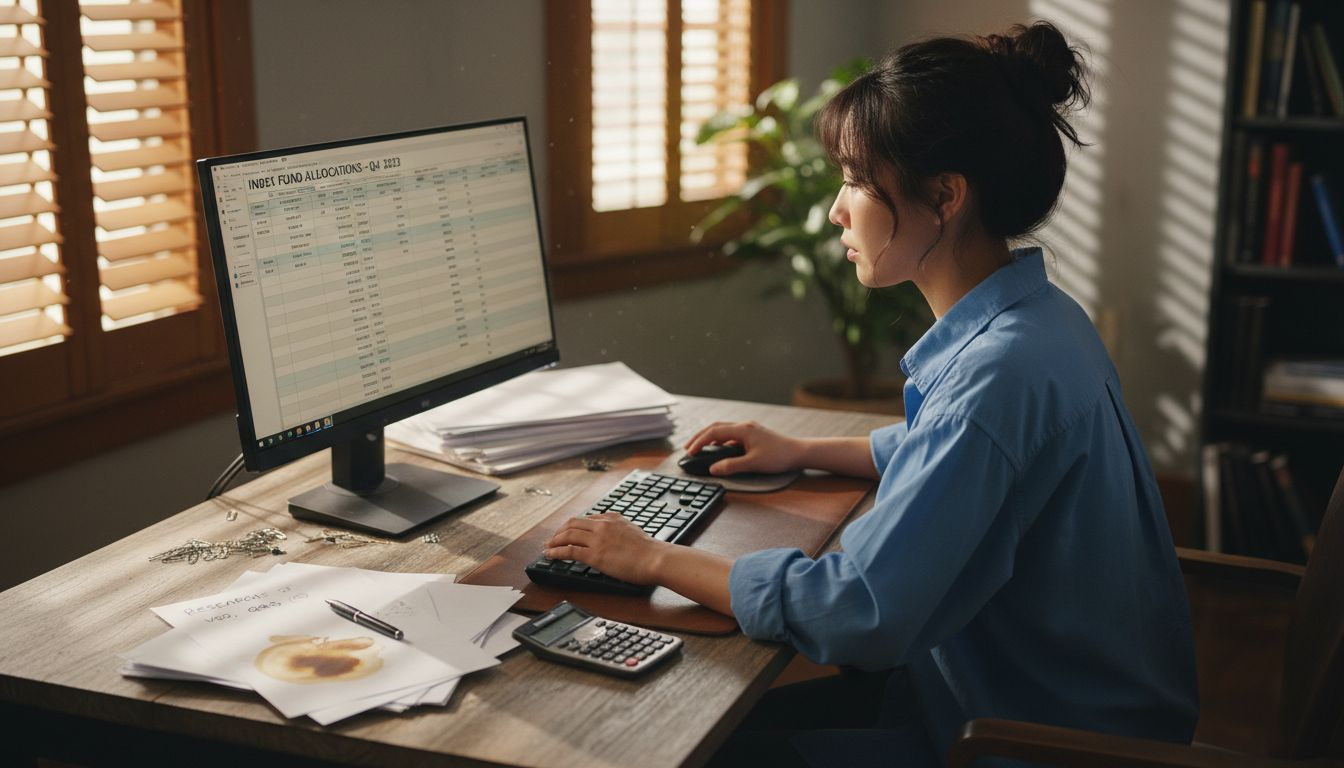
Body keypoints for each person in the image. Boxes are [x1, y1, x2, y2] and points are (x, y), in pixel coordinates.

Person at [542, 20, 1198, 768]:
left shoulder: (996, 377)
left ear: (945, 196)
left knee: (673, 738)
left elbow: (856, 612)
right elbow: (964, 457)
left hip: (1032, 743)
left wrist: (650, 559)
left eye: (856, 179)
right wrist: (805, 449)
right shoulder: (1042, 320)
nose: (834, 210)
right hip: (1054, 712)